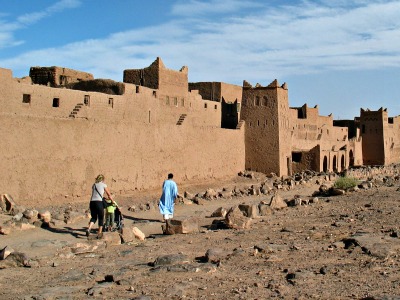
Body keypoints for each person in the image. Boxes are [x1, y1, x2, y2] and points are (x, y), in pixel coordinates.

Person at [87, 174, 114, 239]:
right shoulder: (104, 185)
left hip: (92, 202)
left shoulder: (94, 185)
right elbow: (109, 195)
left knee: (94, 217)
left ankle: (89, 229)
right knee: (101, 218)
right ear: (102, 179)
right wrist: (112, 201)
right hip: (99, 202)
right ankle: (99, 233)